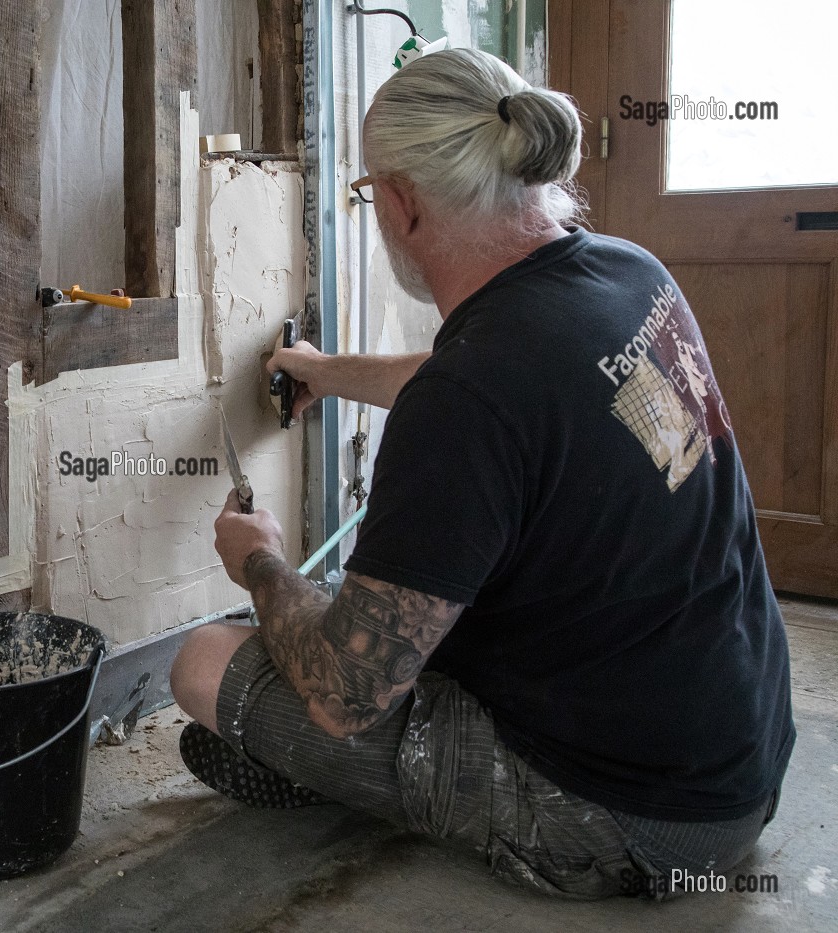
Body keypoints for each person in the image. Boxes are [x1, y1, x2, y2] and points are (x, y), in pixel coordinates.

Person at [169, 47, 794, 900]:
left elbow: (348, 694)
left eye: (365, 197)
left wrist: (260, 562)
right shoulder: (623, 270)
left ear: (399, 202)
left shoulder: (469, 400)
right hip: (737, 763)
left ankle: (347, 785)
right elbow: (501, 393)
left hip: (638, 825)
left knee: (203, 660)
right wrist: (328, 369)